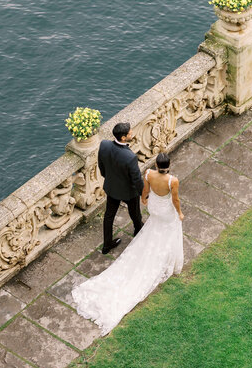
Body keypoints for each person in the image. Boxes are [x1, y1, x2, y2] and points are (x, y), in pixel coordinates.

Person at [72, 152, 185, 335]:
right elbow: (175, 199)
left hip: (155, 208)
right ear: (169, 164)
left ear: (156, 164)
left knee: (153, 228)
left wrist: (144, 200)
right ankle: (166, 257)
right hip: (165, 211)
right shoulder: (173, 181)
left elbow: (145, 191)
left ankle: (152, 248)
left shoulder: (148, 173)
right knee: (168, 229)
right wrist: (179, 212)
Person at [98, 122, 144, 254]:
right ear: (123, 138)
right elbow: (137, 179)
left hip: (112, 188)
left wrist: (108, 178)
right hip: (128, 192)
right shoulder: (130, 157)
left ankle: (107, 245)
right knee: (135, 213)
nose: (132, 133)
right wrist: (143, 194)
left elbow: (101, 166)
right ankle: (138, 231)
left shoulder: (104, 145)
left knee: (109, 216)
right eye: (130, 133)